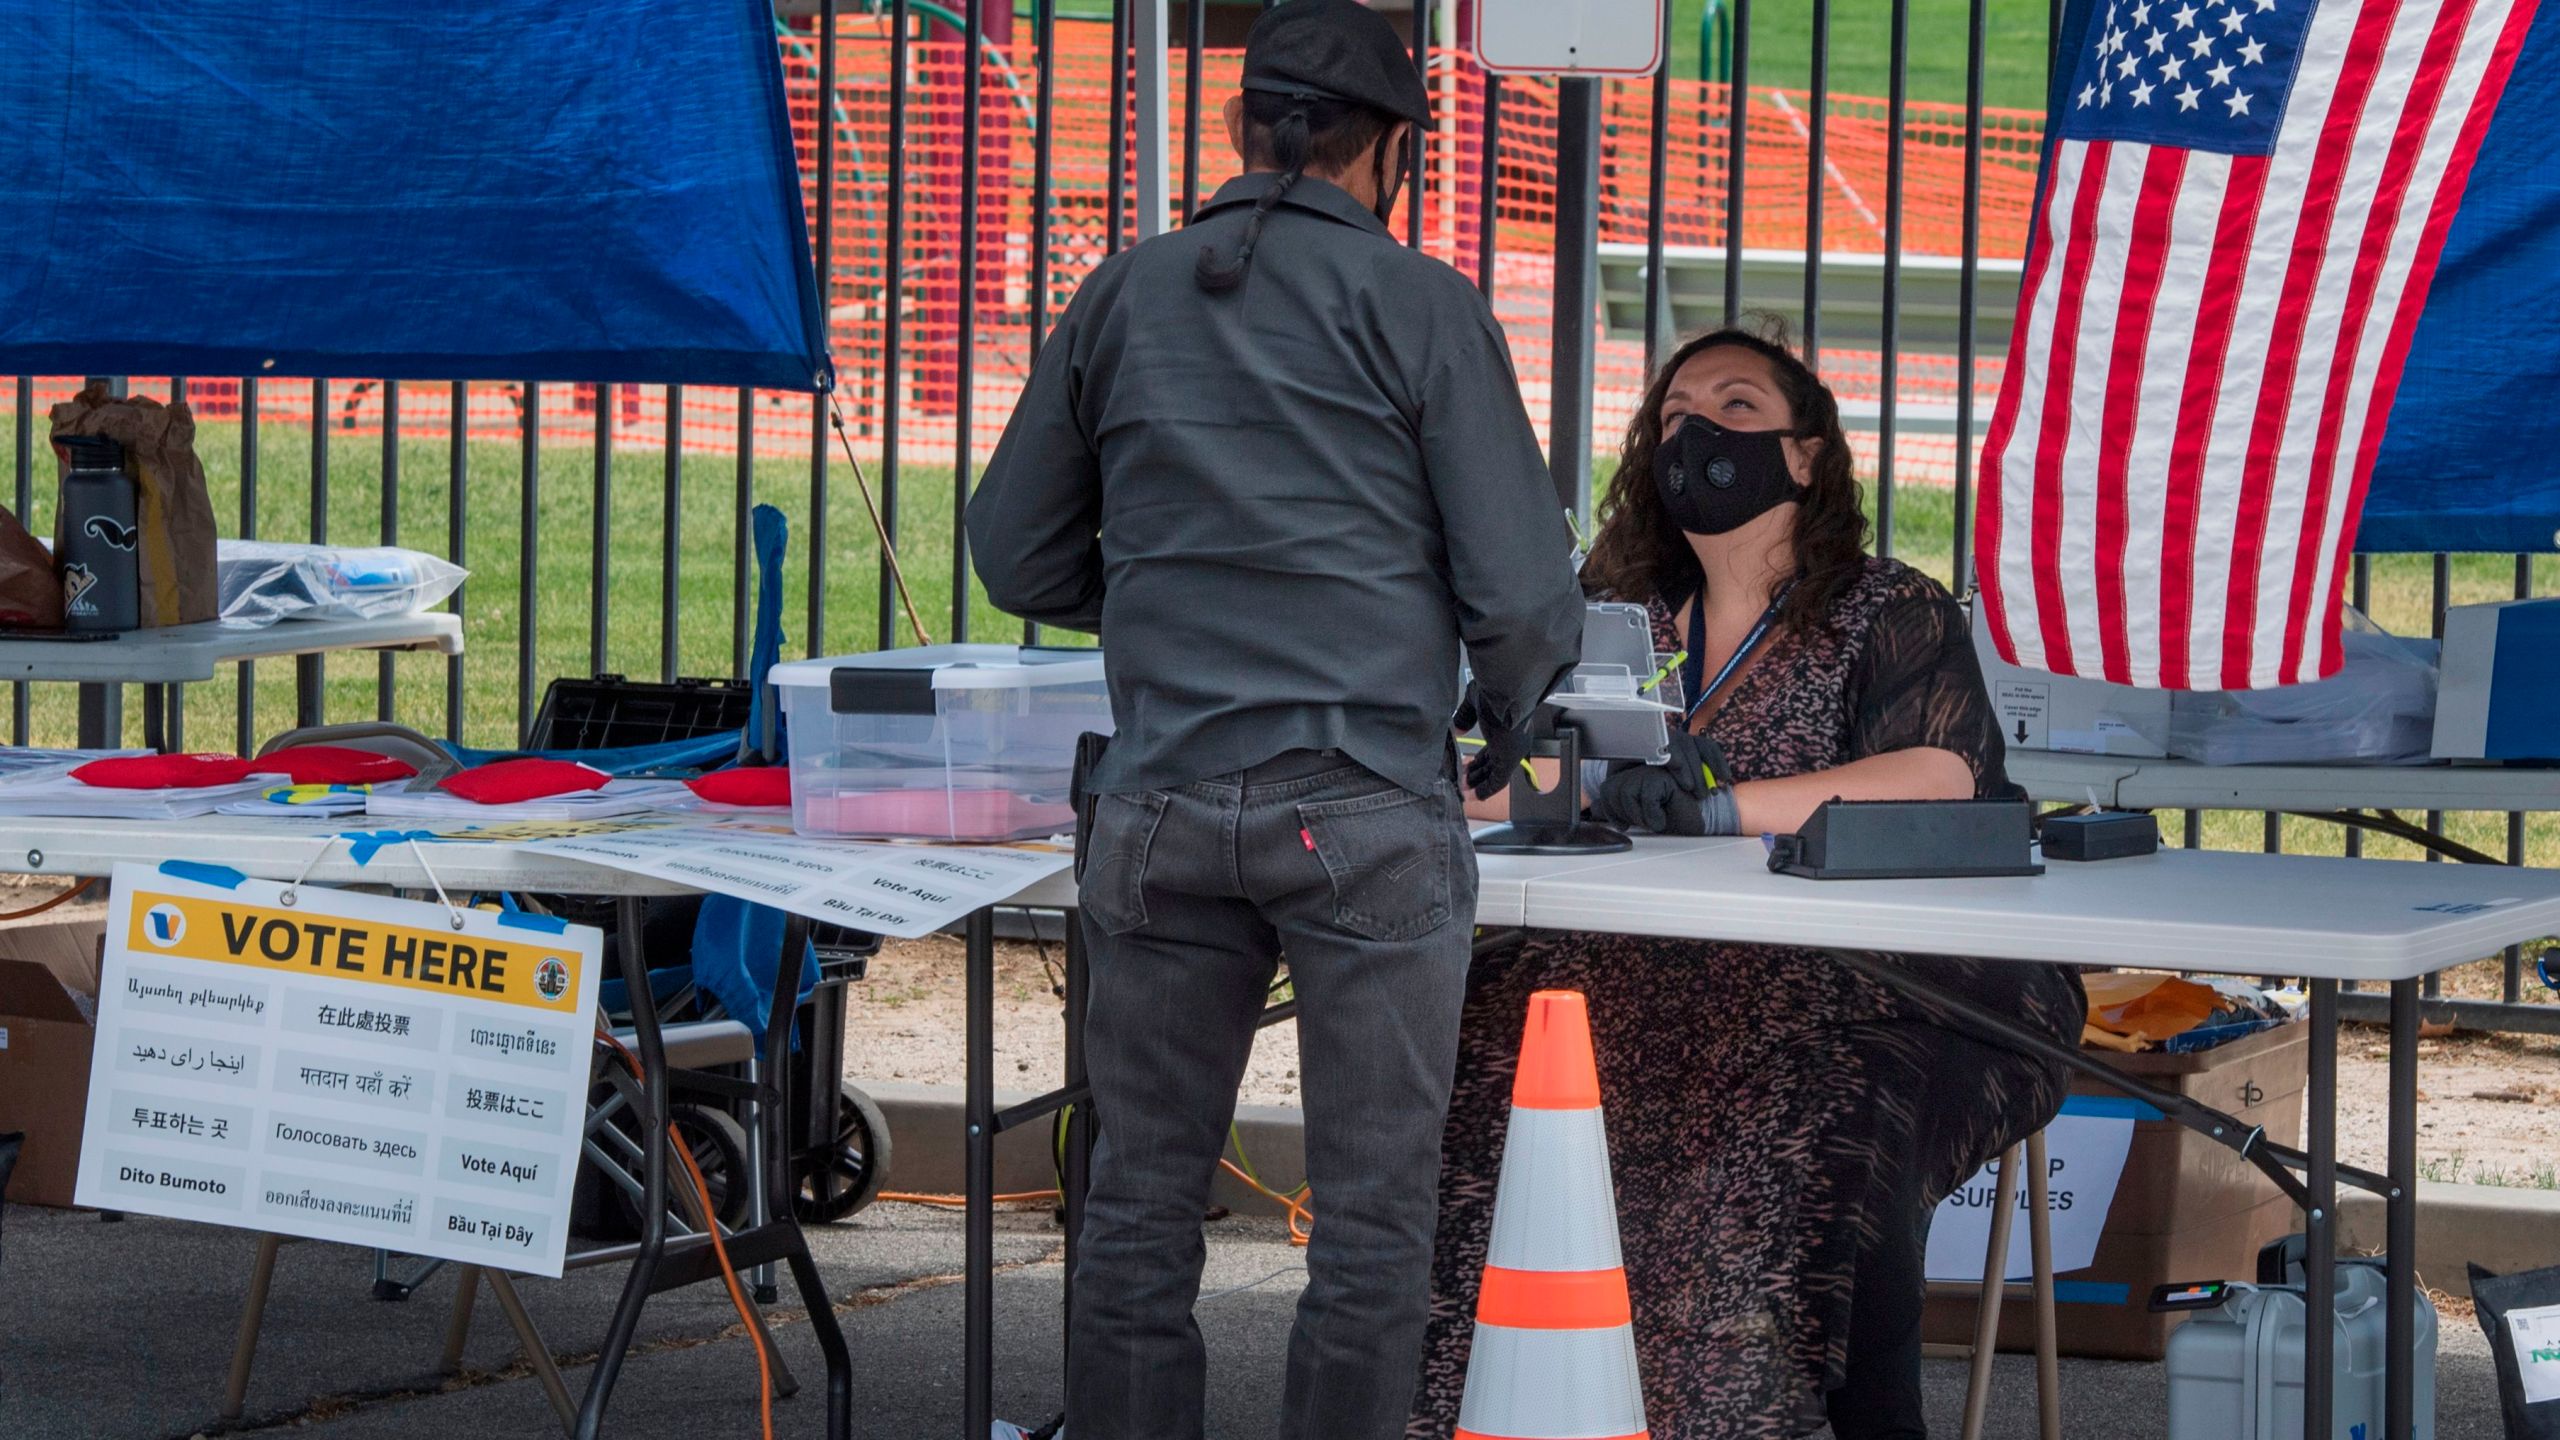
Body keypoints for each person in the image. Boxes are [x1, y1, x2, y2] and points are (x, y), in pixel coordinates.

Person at [964, 2, 1584, 1436]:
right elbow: (1526, 596)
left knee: (1135, 1211)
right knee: (1372, 1228)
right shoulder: (1422, 305)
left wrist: (1157, 587)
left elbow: (1016, 555)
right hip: (1363, 808)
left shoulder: (1122, 291)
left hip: (1161, 806)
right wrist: (1502, 716)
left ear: (1245, 127)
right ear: (1392, 154)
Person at [1406, 327, 2087, 1440]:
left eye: (1733, 407)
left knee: (1831, 1121)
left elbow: (1936, 771)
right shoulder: (1609, 615)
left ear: (1806, 456)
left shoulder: (1887, 607)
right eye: (1675, 415)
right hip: (1642, 960)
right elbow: (1503, 777)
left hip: (1891, 979)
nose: (1696, 434)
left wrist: (1719, 808)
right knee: (1482, 1055)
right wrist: (1562, 786)